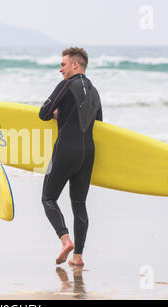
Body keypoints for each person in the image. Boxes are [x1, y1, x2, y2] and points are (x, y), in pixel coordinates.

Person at [39, 47, 103, 267]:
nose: (60, 69)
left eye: (63, 65)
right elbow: (100, 125)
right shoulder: (94, 91)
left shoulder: (66, 85)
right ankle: (78, 257)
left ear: (75, 65)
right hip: (88, 153)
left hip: (66, 149)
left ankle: (65, 240)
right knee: (79, 204)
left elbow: (44, 114)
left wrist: (57, 114)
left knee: (48, 198)